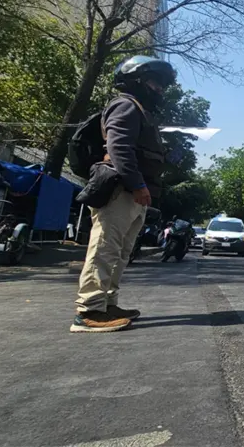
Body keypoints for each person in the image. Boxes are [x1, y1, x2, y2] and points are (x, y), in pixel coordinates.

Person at [71, 55, 176, 333]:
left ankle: (107, 305)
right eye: (156, 83)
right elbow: (119, 148)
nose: (160, 90)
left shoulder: (141, 111)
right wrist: (137, 185)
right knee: (105, 248)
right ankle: (89, 311)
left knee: (120, 252)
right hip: (121, 189)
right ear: (137, 81)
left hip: (133, 192)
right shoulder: (126, 105)